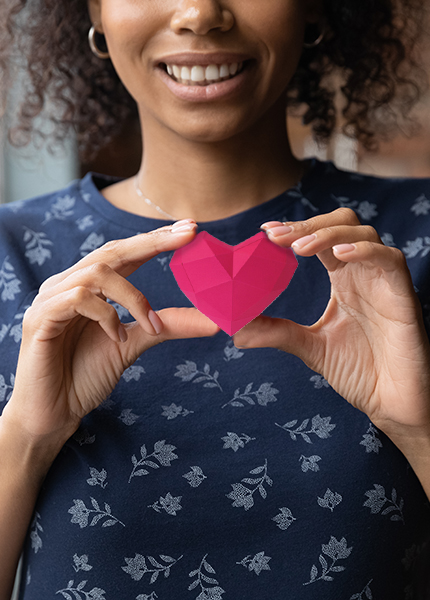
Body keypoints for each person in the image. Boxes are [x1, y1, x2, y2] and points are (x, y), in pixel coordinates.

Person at [1, 0, 430, 598]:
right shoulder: (11, 253)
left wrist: (420, 432)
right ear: (94, 13)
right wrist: (27, 437)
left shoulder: (414, 240)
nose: (200, 13)